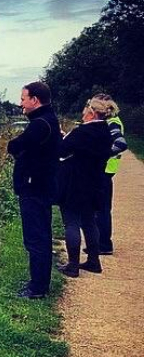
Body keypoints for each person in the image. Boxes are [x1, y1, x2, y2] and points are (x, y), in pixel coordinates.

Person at [7, 81, 61, 299]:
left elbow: (15, 145)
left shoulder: (40, 124)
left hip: (34, 188)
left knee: (35, 237)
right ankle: (39, 282)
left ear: (35, 100)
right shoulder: (49, 120)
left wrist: (18, 151)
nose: (21, 104)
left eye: (23, 99)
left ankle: (37, 288)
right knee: (42, 235)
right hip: (42, 186)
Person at [55, 96, 115, 277]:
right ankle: (94, 261)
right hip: (96, 181)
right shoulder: (105, 132)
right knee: (89, 221)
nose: (83, 111)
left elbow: (62, 150)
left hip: (75, 182)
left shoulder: (82, 132)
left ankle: (72, 266)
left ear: (91, 112)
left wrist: (61, 137)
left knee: (71, 221)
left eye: (86, 108)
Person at [94, 94, 127, 255]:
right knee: (100, 209)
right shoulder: (111, 122)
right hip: (106, 169)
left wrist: (102, 154)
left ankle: (104, 244)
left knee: (102, 209)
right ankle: (100, 242)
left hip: (105, 169)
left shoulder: (112, 123)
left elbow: (120, 144)